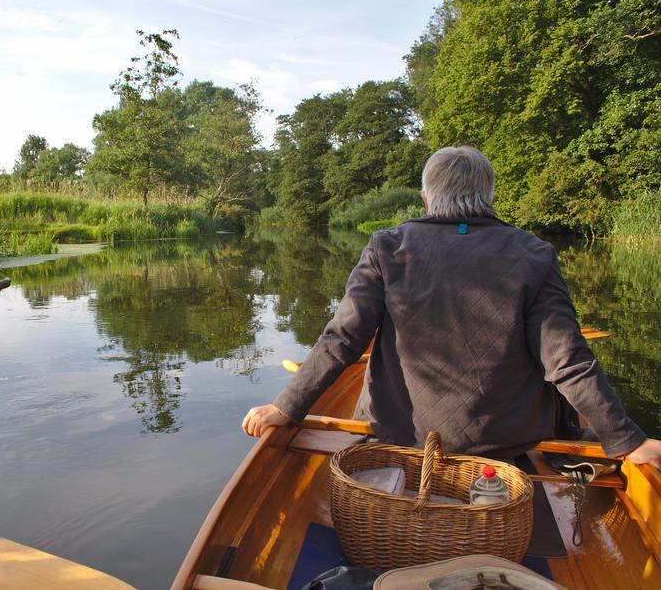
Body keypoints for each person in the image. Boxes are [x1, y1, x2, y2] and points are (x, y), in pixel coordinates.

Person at [242, 146, 661, 468]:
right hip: (504, 443)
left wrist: (286, 407)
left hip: (401, 434)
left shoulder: (388, 246)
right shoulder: (534, 253)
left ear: (427, 197)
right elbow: (566, 360)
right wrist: (626, 440)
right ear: (490, 196)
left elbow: (343, 340)